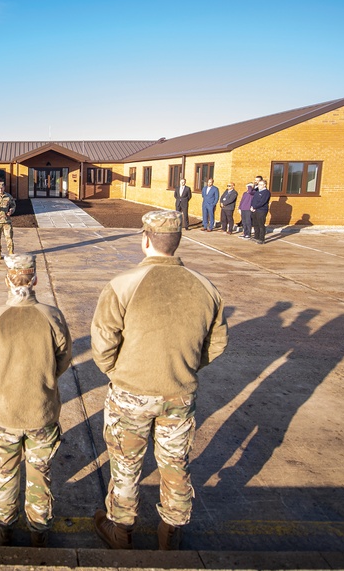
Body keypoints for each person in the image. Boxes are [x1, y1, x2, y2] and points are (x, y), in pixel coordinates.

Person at [91, 209, 228, 551]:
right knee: (175, 464)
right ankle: (172, 534)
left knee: (124, 464)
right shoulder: (206, 287)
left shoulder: (122, 285)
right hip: (178, 394)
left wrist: (117, 372)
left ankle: (121, 531)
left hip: (130, 392)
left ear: (145, 240)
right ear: (177, 241)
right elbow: (217, 344)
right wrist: (183, 368)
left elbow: (103, 343)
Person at [0, 253, 71, 548]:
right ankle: (38, 532)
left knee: (4, 475)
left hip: (4, 413)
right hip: (40, 412)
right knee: (39, 476)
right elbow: (63, 359)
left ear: (7, 280)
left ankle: (4, 530)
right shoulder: (52, 315)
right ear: (35, 280)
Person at [250, 180, 271, 244]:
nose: (259, 186)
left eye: (261, 185)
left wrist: (255, 207)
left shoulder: (266, 192)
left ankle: (262, 239)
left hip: (262, 210)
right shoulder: (257, 191)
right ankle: (256, 236)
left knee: (261, 224)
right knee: (255, 224)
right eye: (259, 184)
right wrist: (252, 206)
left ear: (264, 185)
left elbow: (262, 202)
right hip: (254, 210)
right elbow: (253, 200)